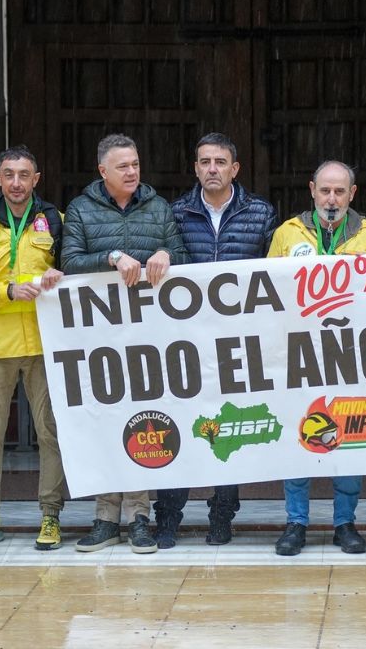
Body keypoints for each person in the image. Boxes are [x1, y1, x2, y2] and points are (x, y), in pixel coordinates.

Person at [59, 133, 187, 554]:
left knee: (143, 424)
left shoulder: (159, 207)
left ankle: (139, 517)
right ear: (103, 171)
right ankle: (104, 518)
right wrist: (112, 257)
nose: (132, 172)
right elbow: (69, 261)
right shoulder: (80, 209)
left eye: (135, 164)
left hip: (148, 340)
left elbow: (185, 260)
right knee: (103, 423)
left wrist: (168, 255)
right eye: (122, 166)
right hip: (97, 340)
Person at [154, 132, 278, 549]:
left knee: (227, 430)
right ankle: (168, 516)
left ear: (234, 169)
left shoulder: (260, 213)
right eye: (205, 162)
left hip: (237, 344)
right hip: (186, 342)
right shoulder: (175, 213)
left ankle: (222, 516)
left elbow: (278, 274)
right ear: (195, 168)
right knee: (180, 427)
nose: (212, 169)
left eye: (220, 162)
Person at [267, 160, 366, 556]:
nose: (331, 199)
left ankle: (345, 523)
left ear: (352, 194)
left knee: (349, 438)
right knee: (298, 437)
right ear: (312, 190)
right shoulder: (287, 234)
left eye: (339, 192)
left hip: (350, 355)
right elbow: (266, 292)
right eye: (325, 191)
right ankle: (295, 523)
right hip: (299, 353)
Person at [0, 146, 67, 551]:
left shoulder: (55, 221)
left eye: (24, 174)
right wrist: (6, 291)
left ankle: (51, 517)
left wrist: (62, 273)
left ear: (36, 179)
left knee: (50, 434)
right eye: (9, 174)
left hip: (45, 344)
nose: (16, 183)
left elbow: (74, 268)